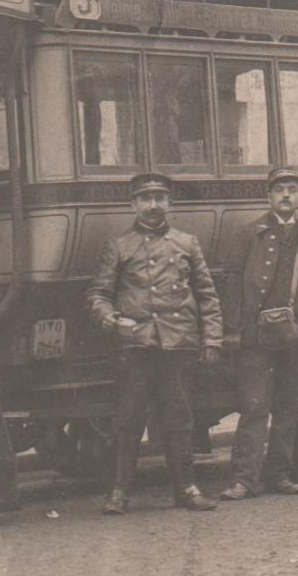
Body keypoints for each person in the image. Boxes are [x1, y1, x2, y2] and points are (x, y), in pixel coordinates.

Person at [86, 172, 222, 515]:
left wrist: (213, 338)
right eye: (145, 199)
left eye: (160, 198)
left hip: (178, 344)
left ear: (169, 203)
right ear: (133, 204)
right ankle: (118, 493)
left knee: (179, 417)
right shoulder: (119, 246)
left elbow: (207, 295)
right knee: (128, 417)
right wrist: (108, 318)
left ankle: (188, 489)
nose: (153, 205)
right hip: (137, 346)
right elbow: (99, 294)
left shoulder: (187, 243)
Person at [220, 167, 298, 502]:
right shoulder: (249, 235)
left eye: (292, 189)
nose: (286, 195)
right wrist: (232, 330)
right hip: (256, 336)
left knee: (290, 405)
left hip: (297, 336)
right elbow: (231, 283)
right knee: (255, 405)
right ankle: (244, 479)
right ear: (269, 197)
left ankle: (279, 474)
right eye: (279, 190)